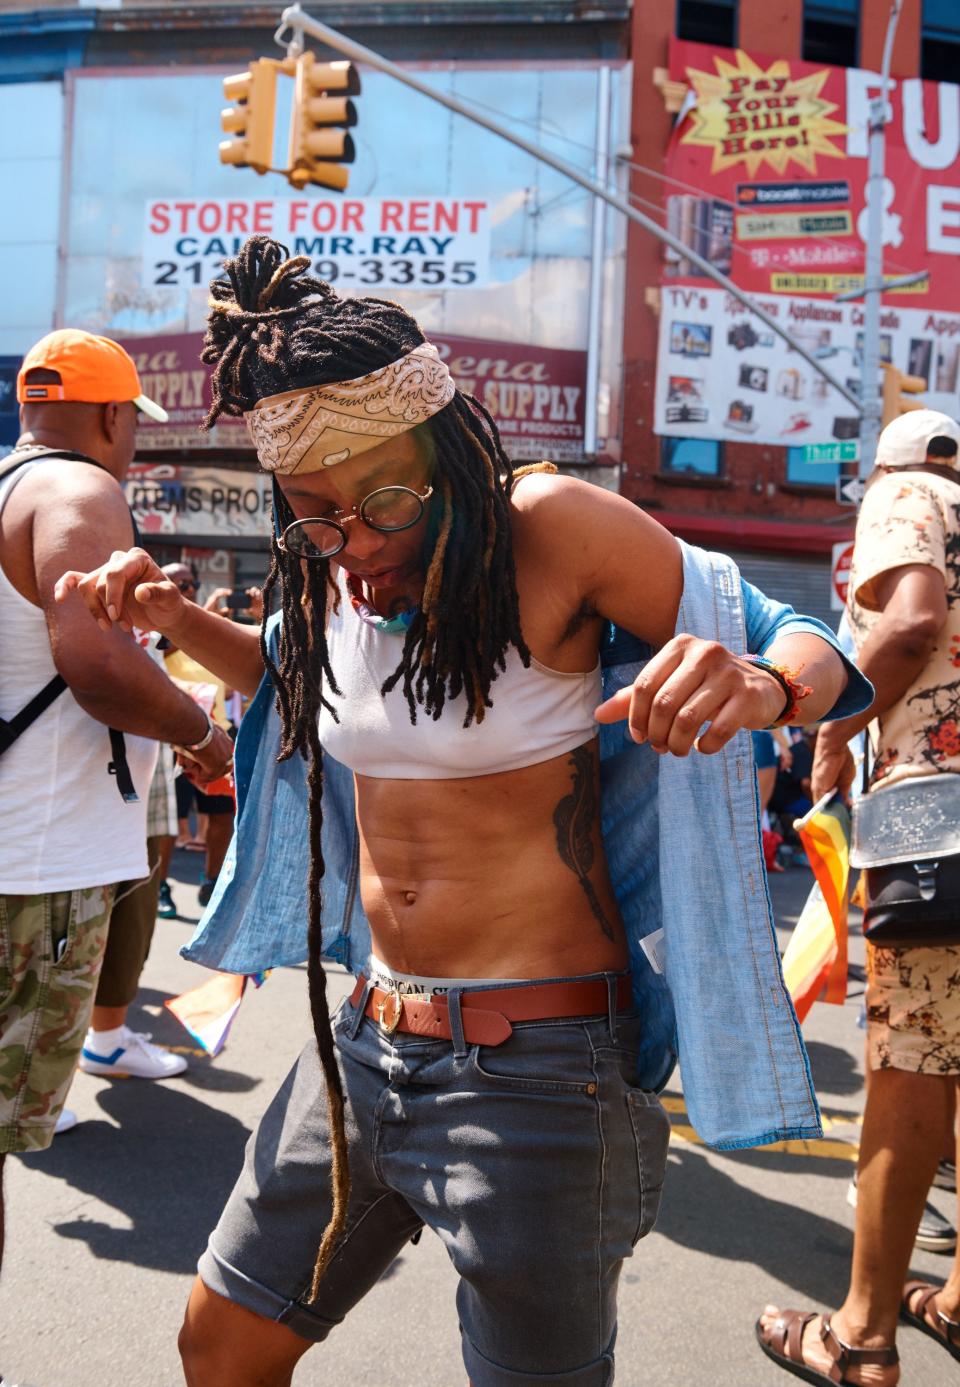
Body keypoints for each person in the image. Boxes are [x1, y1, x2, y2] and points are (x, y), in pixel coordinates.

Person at [59, 238, 872, 1387]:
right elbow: (311, 693)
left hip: (540, 1070)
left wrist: (766, 687)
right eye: (317, 515)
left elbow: (805, 638)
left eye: (385, 499)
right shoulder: (330, 572)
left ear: (448, 452)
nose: (361, 545)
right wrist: (168, 614)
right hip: (362, 1044)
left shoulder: (551, 528)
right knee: (222, 1339)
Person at [0, 329, 232, 1272]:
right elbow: (91, 660)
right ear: (108, 415)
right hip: (32, 869)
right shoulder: (81, 491)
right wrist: (204, 734)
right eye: (132, 421)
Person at [758, 408, 960, 1382]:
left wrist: (838, 721)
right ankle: (959, 1298)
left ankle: (863, 1335)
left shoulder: (908, 496)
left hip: (939, 822)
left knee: (911, 1063)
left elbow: (914, 619)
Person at [161, 562, 235, 907]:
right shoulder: (159, 626)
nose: (188, 590)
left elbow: (233, 682)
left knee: (220, 815)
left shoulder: (205, 629)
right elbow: (170, 643)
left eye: (193, 584)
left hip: (216, 737)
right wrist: (206, 614)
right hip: (171, 738)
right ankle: (160, 888)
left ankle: (212, 882)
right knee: (168, 820)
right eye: (181, 584)